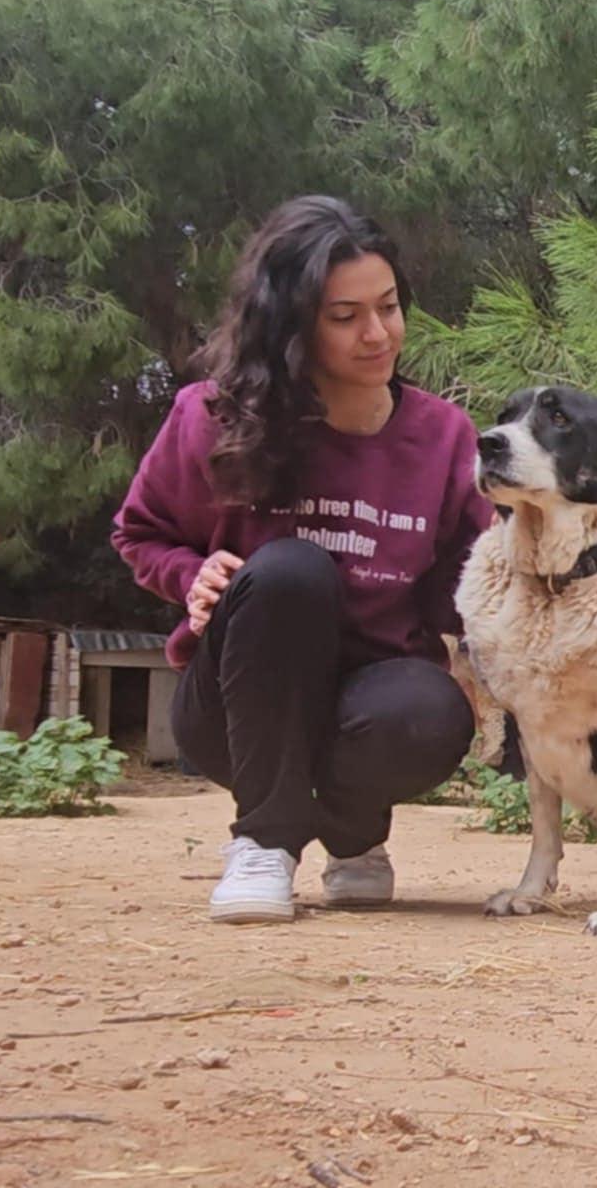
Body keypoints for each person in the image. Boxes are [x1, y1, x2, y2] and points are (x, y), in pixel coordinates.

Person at [111, 195, 493, 923]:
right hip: (235, 707)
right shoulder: (212, 416)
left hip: (374, 702)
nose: (378, 334)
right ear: (290, 327)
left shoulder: (445, 437)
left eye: (388, 307)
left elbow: (470, 589)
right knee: (291, 570)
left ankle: (354, 836)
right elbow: (140, 533)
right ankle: (264, 840)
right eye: (345, 317)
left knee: (434, 709)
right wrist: (192, 576)